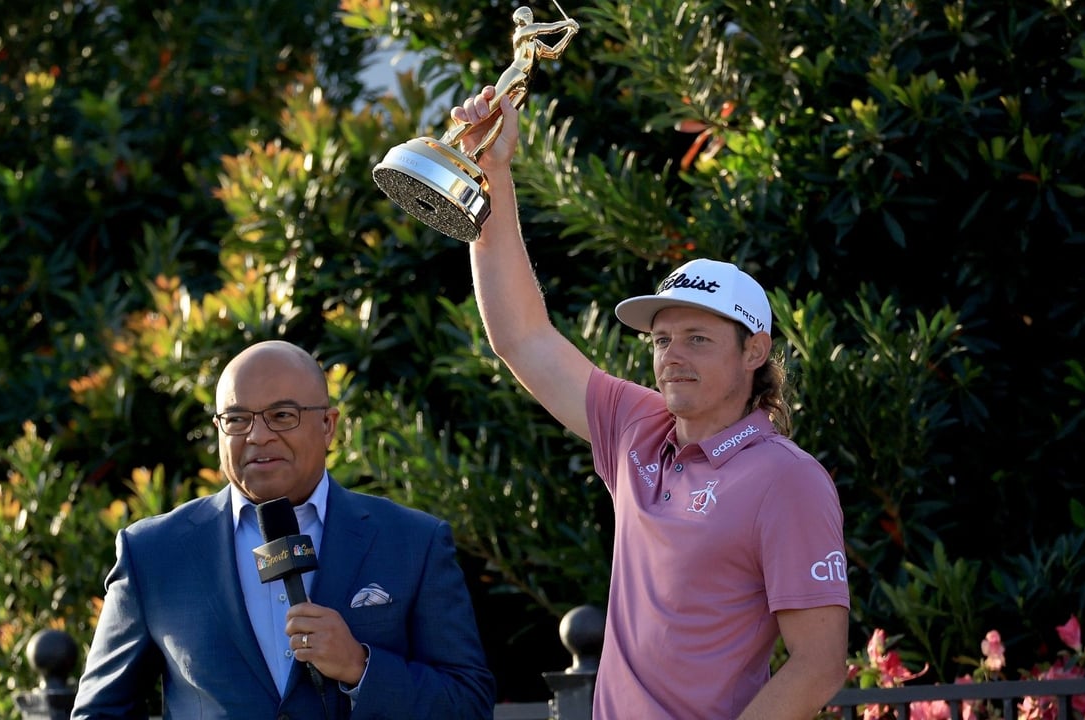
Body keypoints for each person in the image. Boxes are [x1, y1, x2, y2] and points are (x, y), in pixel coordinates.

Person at [449, 86, 851, 719]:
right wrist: (493, 172)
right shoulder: (638, 428)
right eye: (663, 339)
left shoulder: (789, 479)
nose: (672, 356)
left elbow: (821, 663)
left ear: (754, 352)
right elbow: (521, 338)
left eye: (698, 338)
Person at [71, 340, 495, 719]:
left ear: (328, 425)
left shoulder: (412, 542)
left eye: (281, 415)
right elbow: (100, 712)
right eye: (237, 419)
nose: (258, 435)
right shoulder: (154, 552)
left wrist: (360, 668)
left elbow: (470, 704)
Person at [442, 5, 579, 157]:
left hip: (526, 82)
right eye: (525, 14)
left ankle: (477, 154)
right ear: (519, 20)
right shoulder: (522, 33)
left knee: (502, 121)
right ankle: (448, 139)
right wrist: (567, 23)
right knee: (488, 109)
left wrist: (570, 33)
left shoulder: (535, 43)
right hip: (514, 74)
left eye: (529, 14)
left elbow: (554, 53)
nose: (529, 16)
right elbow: (547, 28)